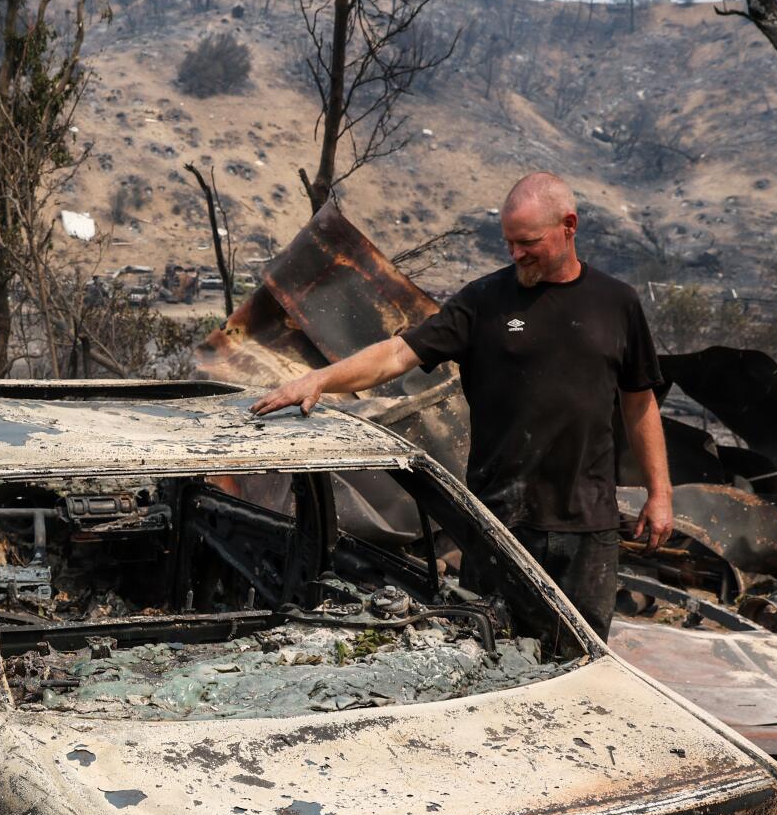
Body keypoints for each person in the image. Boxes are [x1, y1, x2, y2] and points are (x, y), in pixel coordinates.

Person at [249, 171, 672, 638]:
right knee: (493, 653)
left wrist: (661, 493)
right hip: (500, 525)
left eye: (528, 242)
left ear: (569, 226)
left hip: (589, 526)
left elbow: (639, 404)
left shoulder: (617, 303)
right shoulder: (484, 301)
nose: (516, 254)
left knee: (583, 656)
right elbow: (396, 353)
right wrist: (321, 379)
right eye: (509, 242)